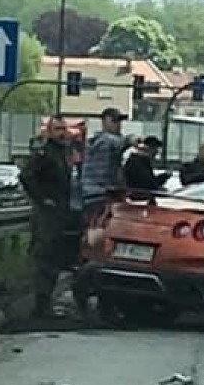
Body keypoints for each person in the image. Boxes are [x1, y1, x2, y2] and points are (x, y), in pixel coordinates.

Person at [19, 115, 72, 318]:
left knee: (54, 258)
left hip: (59, 213)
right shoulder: (44, 154)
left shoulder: (63, 153)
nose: (62, 133)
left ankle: (46, 302)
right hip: (46, 215)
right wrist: (42, 199)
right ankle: (40, 304)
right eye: (57, 129)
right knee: (44, 257)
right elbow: (26, 176)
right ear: (49, 131)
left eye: (63, 129)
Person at [80, 107, 128, 225]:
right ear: (105, 121)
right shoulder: (105, 141)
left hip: (95, 194)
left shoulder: (96, 140)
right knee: (99, 230)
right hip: (100, 194)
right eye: (114, 121)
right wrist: (131, 140)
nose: (118, 125)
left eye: (119, 121)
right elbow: (117, 143)